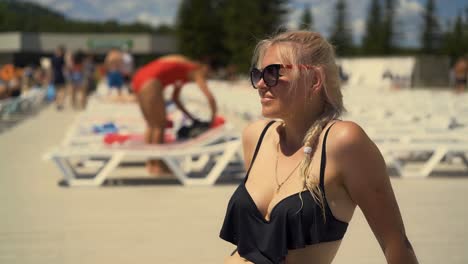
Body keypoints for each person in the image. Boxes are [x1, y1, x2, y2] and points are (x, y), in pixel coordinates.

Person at [219, 30, 418, 264]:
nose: (261, 84)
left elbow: (394, 242)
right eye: (257, 74)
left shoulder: (344, 142)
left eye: (273, 73)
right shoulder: (256, 136)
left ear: (314, 80)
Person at [131, 54, 217, 175]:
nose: (206, 77)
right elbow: (210, 97)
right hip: (151, 81)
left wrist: (190, 116)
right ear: (206, 68)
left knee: (152, 125)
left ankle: (151, 163)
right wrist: (213, 118)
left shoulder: (183, 72)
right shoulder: (197, 70)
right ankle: (158, 165)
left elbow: (175, 98)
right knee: (159, 126)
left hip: (140, 77)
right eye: (208, 75)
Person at [51, 45, 67, 110]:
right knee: (61, 91)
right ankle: (60, 104)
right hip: (60, 75)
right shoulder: (62, 59)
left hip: (56, 75)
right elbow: (65, 68)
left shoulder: (53, 59)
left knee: (57, 91)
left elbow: (51, 69)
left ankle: (58, 104)